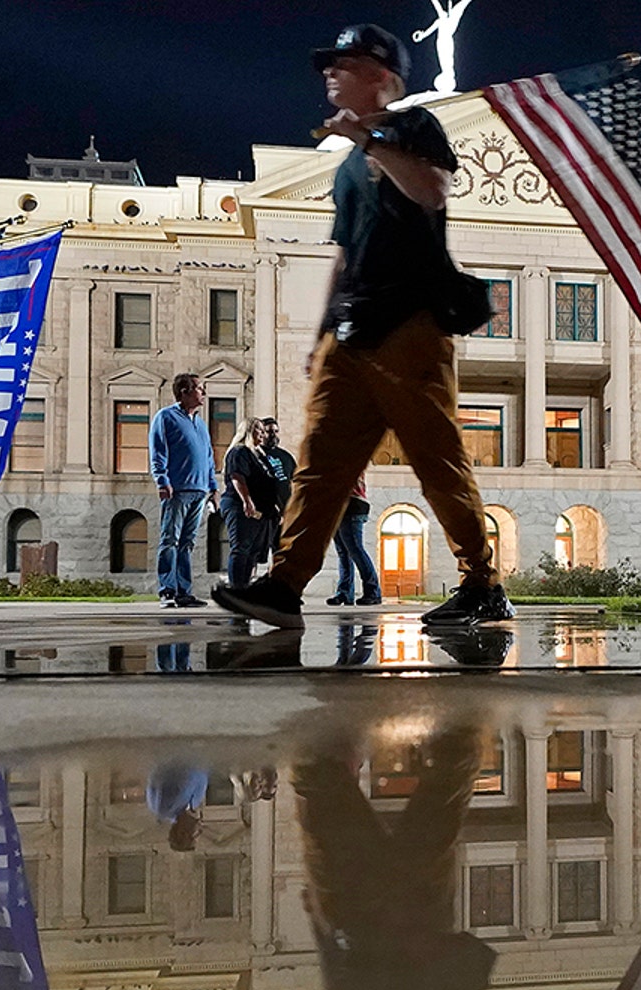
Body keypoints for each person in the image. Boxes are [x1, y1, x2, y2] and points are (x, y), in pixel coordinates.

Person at [215, 24, 513, 630]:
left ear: (383, 77)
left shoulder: (411, 129)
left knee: (436, 460)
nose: (329, 72)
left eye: (344, 64)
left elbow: (431, 191)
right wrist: (319, 336)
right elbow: (345, 254)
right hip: (350, 336)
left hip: (410, 327)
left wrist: (371, 137)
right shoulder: (350, 164)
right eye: (329, 64)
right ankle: (285, 587)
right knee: (320, 465)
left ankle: (482, 582)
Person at [294, 720, 495, 990]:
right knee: (327, 788)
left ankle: (462, 717)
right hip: (394, 912)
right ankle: (461, 716)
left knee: (327, 787)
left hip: (382, 914)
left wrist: (324, 932)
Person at [151, 373, 215, 608]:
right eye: (199, 388)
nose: (203, 393)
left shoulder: (200, 422)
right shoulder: (165, 417)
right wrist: (161, 480)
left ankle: (184, 592)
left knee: (187, 543)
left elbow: (208, 456)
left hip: (199, 490)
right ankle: (167, 591)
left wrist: (213, 487)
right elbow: (157, 451)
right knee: (170, 540)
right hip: (177, 490)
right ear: (185, 392)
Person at [221, 417, 277, 588]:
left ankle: (244, 589)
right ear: (248, 431)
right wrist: (247, 501)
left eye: (262, 430)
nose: (262, 433)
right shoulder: (239, 452)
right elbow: (237, 477)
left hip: (261, 511)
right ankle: (237, 590)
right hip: (241, 506)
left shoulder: (258, 455)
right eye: (258, 429)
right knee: (241, 549)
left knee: (252, 552)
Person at [327, 476, 381, 605]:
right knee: (344, 553)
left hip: (351, 505)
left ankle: (373, 592)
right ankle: (345, 593)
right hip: (338, 506)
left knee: (355, 550)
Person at [256, 416, 298, 564]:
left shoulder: (285, 456)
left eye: (276, 431)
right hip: (263, 511)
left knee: (280, 551)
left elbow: (296, 481)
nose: (273, 435)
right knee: (255, 552)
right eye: (269, 431)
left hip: (284, 512)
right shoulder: (255, 454)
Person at [146, 764, 210, 851]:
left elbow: (162, 771)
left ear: (182, 833)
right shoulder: (195, 802)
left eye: (196, 833)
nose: (199, 827)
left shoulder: (163, 807)